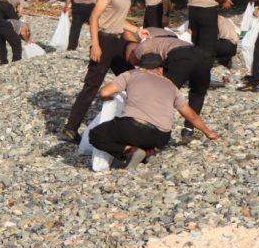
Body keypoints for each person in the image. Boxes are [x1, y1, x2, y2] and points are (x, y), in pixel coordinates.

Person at [61, 0, 145, 143]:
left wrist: (138, 31)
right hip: (104, 41)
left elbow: (120, 21)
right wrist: (96, 45)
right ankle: (70, 129)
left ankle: (134, 122)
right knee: (92, 85)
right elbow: (94, 17)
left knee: (132, 78)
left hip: (117, 42)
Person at [89, 53, 219, 167]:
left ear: (141, 66)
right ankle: (147, 152)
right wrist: (209, 133)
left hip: (132, 128)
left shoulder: (130, 74)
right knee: (141, 136)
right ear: (160, 69)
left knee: (95, 134)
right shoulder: (171, 86)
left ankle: (130, 151)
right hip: (161, 137)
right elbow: (191, 115)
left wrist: (111, 99)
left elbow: (104, 92)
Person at [129, 27, 214, 140]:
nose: (135, 64)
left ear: (131, 53)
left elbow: (150, 61)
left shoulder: (140, 48)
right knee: (198, 93)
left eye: (130, 60)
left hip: (181, 57)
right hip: (202, 57)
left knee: (163, 95)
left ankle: (148, 129)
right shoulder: (166, 41)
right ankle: (188, 130)